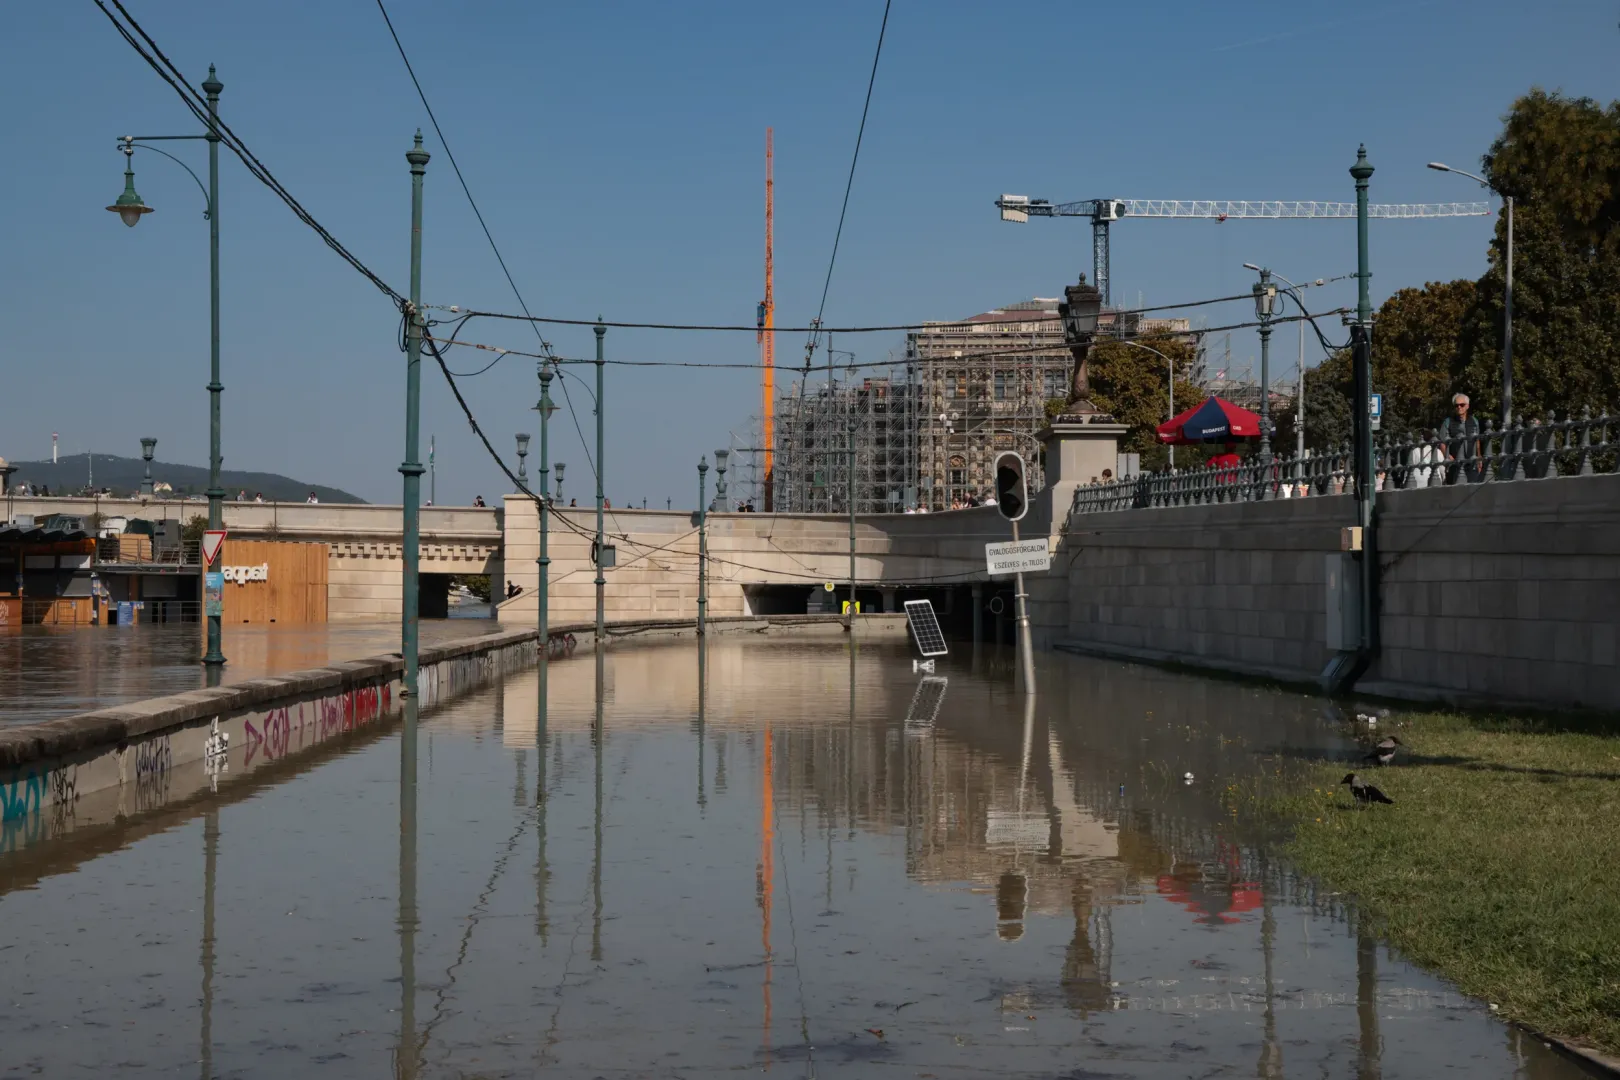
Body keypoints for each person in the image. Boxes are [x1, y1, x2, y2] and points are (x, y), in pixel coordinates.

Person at [1441, 393, 1483, 483]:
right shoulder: (1448, 422)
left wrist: (1479, 457)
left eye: (1462, 405)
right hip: (1455, 465)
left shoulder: (1474, 421)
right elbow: (1442, 442)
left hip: (1472, 463)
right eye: (1456, 405)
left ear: (1467, 406)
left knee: (1473, 489)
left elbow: (1477, 441)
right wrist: (1447, 456)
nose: (1459, 407)